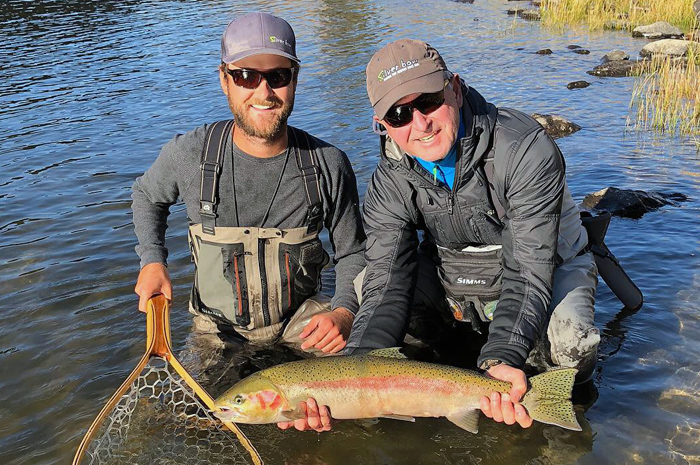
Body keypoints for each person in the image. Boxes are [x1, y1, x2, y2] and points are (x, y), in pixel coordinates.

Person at [282, 39, 601, 434]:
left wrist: (502, 355)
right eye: (398, 115)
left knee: (574, 346)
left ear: (456, 87)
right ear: (381, 125)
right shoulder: (389, 182)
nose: (420, 123)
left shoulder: (524, 149)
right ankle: (452, 375)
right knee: (368, 284)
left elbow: (527, 271)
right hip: (457, 273)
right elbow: (386, 282)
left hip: (546, 265)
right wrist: (357, 373)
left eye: (429, 101)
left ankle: (571, 404)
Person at [131, 12, 365, 358]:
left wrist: (344, 314)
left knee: (351, 397)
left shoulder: (328, 164)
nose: (264, 92)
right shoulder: (188, 154)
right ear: (224, 80)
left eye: (278, 76)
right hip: (217, 333)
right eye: (246, 76)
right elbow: (147, 195)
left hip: (305, 327)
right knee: (190, 413)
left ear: (295, 79)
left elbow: (353, 253)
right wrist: (152, 260)